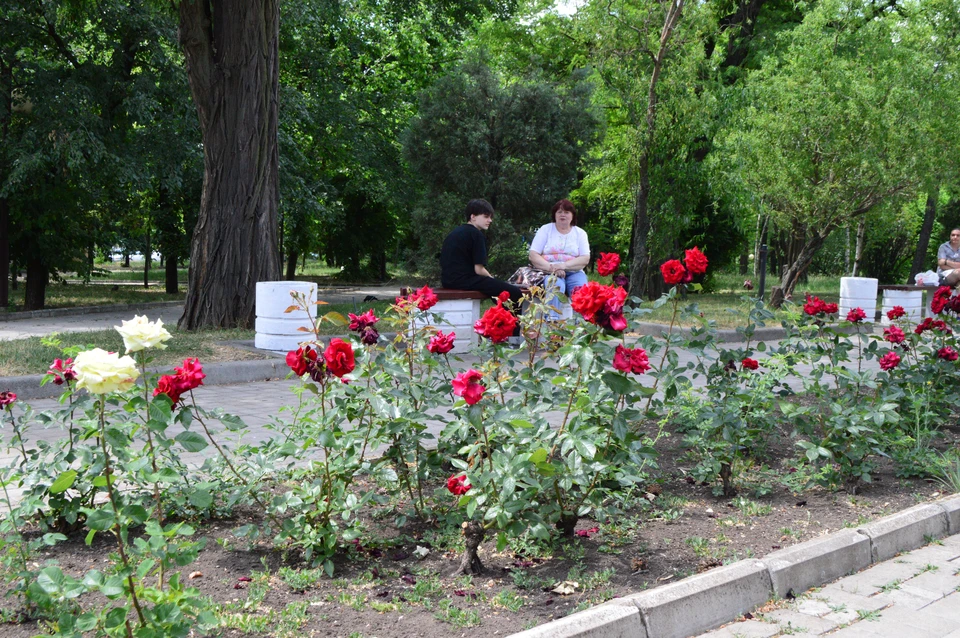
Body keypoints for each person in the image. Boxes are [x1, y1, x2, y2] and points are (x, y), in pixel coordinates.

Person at [440, 199, 523, 304]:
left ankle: (499, 317)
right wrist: (493, 279)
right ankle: (512, 320)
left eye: (490, 217)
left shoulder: (455, 232)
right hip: (465, 281)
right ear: (473, 217)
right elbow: (479, 270)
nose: (490, 220)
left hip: (447, 281)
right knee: (514, 292)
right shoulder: (476, 235)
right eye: (486, 217)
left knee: (496, 291)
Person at [527, 199, 590, 313]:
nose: (563, 215)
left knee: (581, 291)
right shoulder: (545, 230)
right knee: (556, 287)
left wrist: (564, 266)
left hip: (574, 271)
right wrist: (552, 268)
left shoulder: (580, 233)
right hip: (548, 271)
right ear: (554, 215)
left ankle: (581, 326)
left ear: (572, 215)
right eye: (559, 212)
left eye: (566, 212)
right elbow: (533, 255)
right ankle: (552, 324)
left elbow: (585, 259)